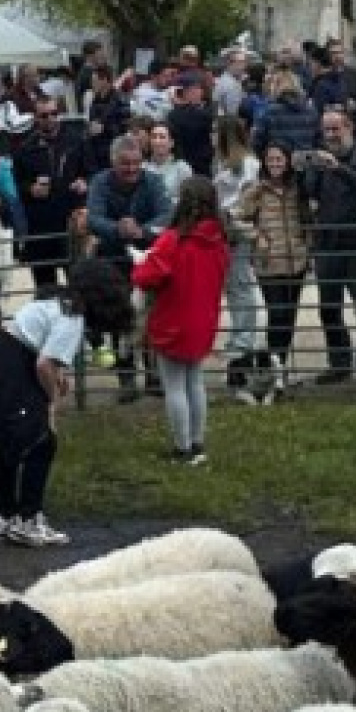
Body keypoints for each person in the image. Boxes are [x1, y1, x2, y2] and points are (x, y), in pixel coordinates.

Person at [0, 259, 133, 546]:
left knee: (11, 442)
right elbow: (45, 365)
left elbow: (42, 353)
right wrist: (51, 403)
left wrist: (57, 378)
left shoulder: (55, 300)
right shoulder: (74, 317)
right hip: (10, 373)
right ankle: (29, 520)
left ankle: (8, 517)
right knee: (42, 441)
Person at [131, 176, 231, 464]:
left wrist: (140, 264)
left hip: (173, 319)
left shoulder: (173, 240)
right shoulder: (219, 241)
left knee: (174, 386)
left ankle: (182, 447)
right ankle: (198, 442)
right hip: (204, 318)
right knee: (195, 382)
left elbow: (147, 276)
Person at [85, 135, 174, 399]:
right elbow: (93, 218)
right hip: (113, 260)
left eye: (136, 163)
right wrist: (118, 228)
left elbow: (167, 214)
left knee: (151, 316)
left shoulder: (153, 181)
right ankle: (126, 379)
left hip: (149, 259)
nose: (132, 168)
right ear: (114, 162)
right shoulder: (100, 182)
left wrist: (142, 231)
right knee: (118, 319)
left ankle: (153, 375)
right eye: (126, 164)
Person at [305, 108, 356, 384]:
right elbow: (311, 193)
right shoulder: (320, 158)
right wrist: (310, 170)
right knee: (328, 307)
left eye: (335, 129)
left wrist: (338, 168)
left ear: (349, 127)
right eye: (326, 130)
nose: (330, 136)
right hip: (328, 241)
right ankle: (339, 361)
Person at [233, 141, 308, 403]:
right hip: (269, 264)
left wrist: (306, 241)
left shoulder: (296, 188)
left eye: (280, 159)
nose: (275, 164)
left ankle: (280, 369)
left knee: (289, 316)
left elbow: (307, 215)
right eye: (271, 159)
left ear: (288, 161)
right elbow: (236, 218)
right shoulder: (255, 190)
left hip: (296, 260)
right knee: (277, 315)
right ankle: (273, 370)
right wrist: (256, 236)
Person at [12, 94, 94, 291]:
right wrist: (31, 189)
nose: (49, 119)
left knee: (79, 284)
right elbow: (18, 184)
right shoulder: (25, 148)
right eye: (44, 115)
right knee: (45, 289)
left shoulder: (76, 141)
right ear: (35, 117)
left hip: (71, 222)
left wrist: (85, 183)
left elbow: (92, 172)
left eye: (53, 114)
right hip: (41, 226)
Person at [211, 117, 265, 400]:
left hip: (240, 233)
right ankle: (238, 345)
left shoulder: (249, 165)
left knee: (241, 290)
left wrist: (229, 217)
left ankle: (242, 348)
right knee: (235, 291)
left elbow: (248, 199)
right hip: (224, 232)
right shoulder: (221, 164)